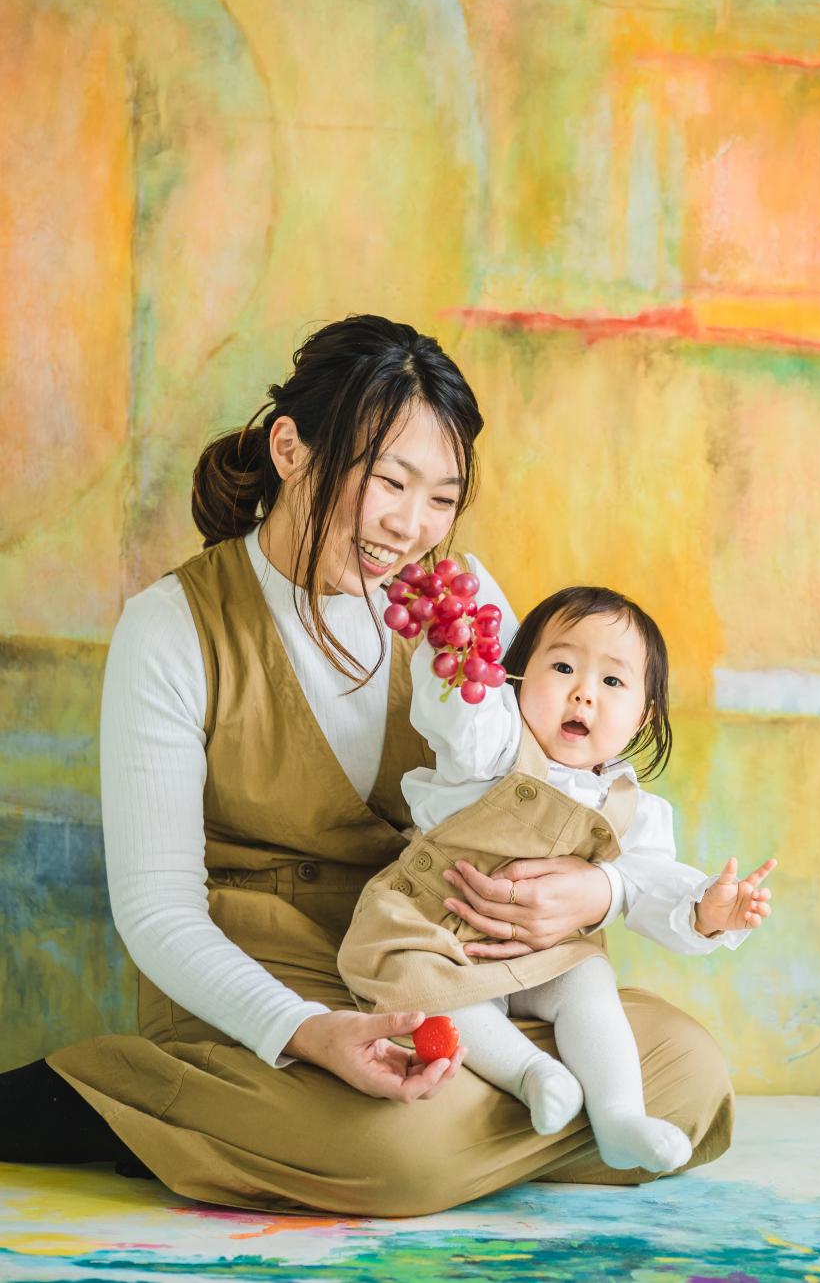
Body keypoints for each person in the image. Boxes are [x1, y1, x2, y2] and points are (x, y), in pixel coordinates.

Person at [0, 315, 737, 1216]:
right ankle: (128, 1097)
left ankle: (353, 1132)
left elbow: (541, 782)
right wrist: (308, 1031)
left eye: (441, 498)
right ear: (290, 450)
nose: (410, 528)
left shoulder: (459, 607)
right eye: (389, 481)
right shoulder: (174, 626)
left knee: (689, 1071)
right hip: (262, 965)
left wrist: (600, 893)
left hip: (437, 950)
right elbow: (157, 913)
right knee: (404, 1145)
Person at [338, 585, 776, 1175]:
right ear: (514, 679)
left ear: (643, 716)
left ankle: (619, 1118)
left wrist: (705, 911)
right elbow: (457, 712)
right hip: (437, 935)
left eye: (612, 681)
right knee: (424, 992)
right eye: (563, 667)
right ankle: (532, 1074)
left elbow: (648, 884)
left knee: (589, 983)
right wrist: (455, 653)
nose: (583, 693)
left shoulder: (633, 808)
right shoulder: (490, 748)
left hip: (545, 955)